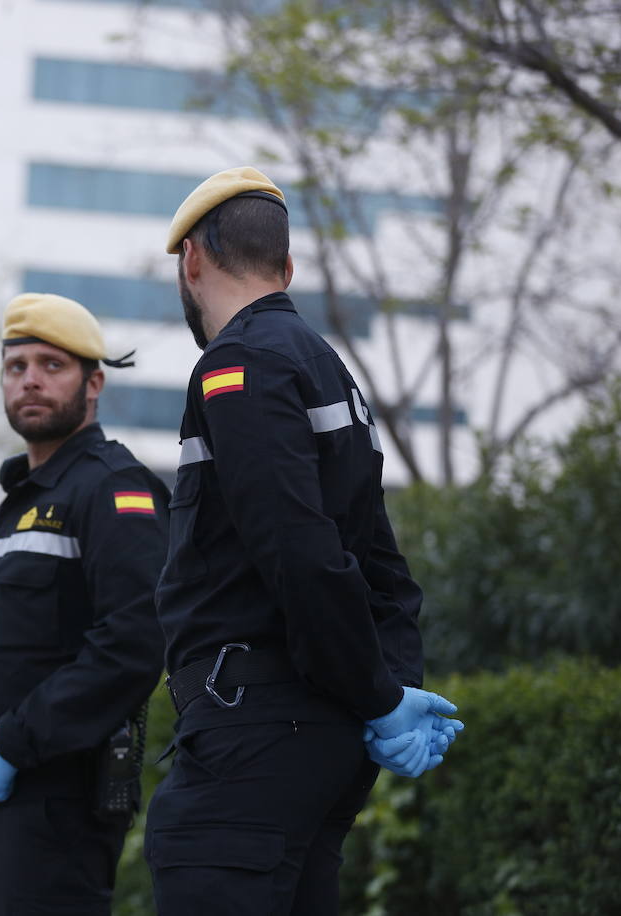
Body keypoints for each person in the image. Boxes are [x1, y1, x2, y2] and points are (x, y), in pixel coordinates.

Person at [146, 167, 463, 914]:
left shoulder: (236, 365)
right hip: (314, 731)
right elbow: (384, 568)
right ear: (286, 268)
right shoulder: (329, 371)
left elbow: (298, 551)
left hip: (257, 728)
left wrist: (380, 696)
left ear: (192, 260)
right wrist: (386, 689)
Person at [0, 293, 170, 916]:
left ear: (94, 382)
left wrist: (15, 744)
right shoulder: (9, 511)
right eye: (16, 366)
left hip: (57, 799)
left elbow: (137, 640)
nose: (30, 379)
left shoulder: (116, 487)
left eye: (52, 365)